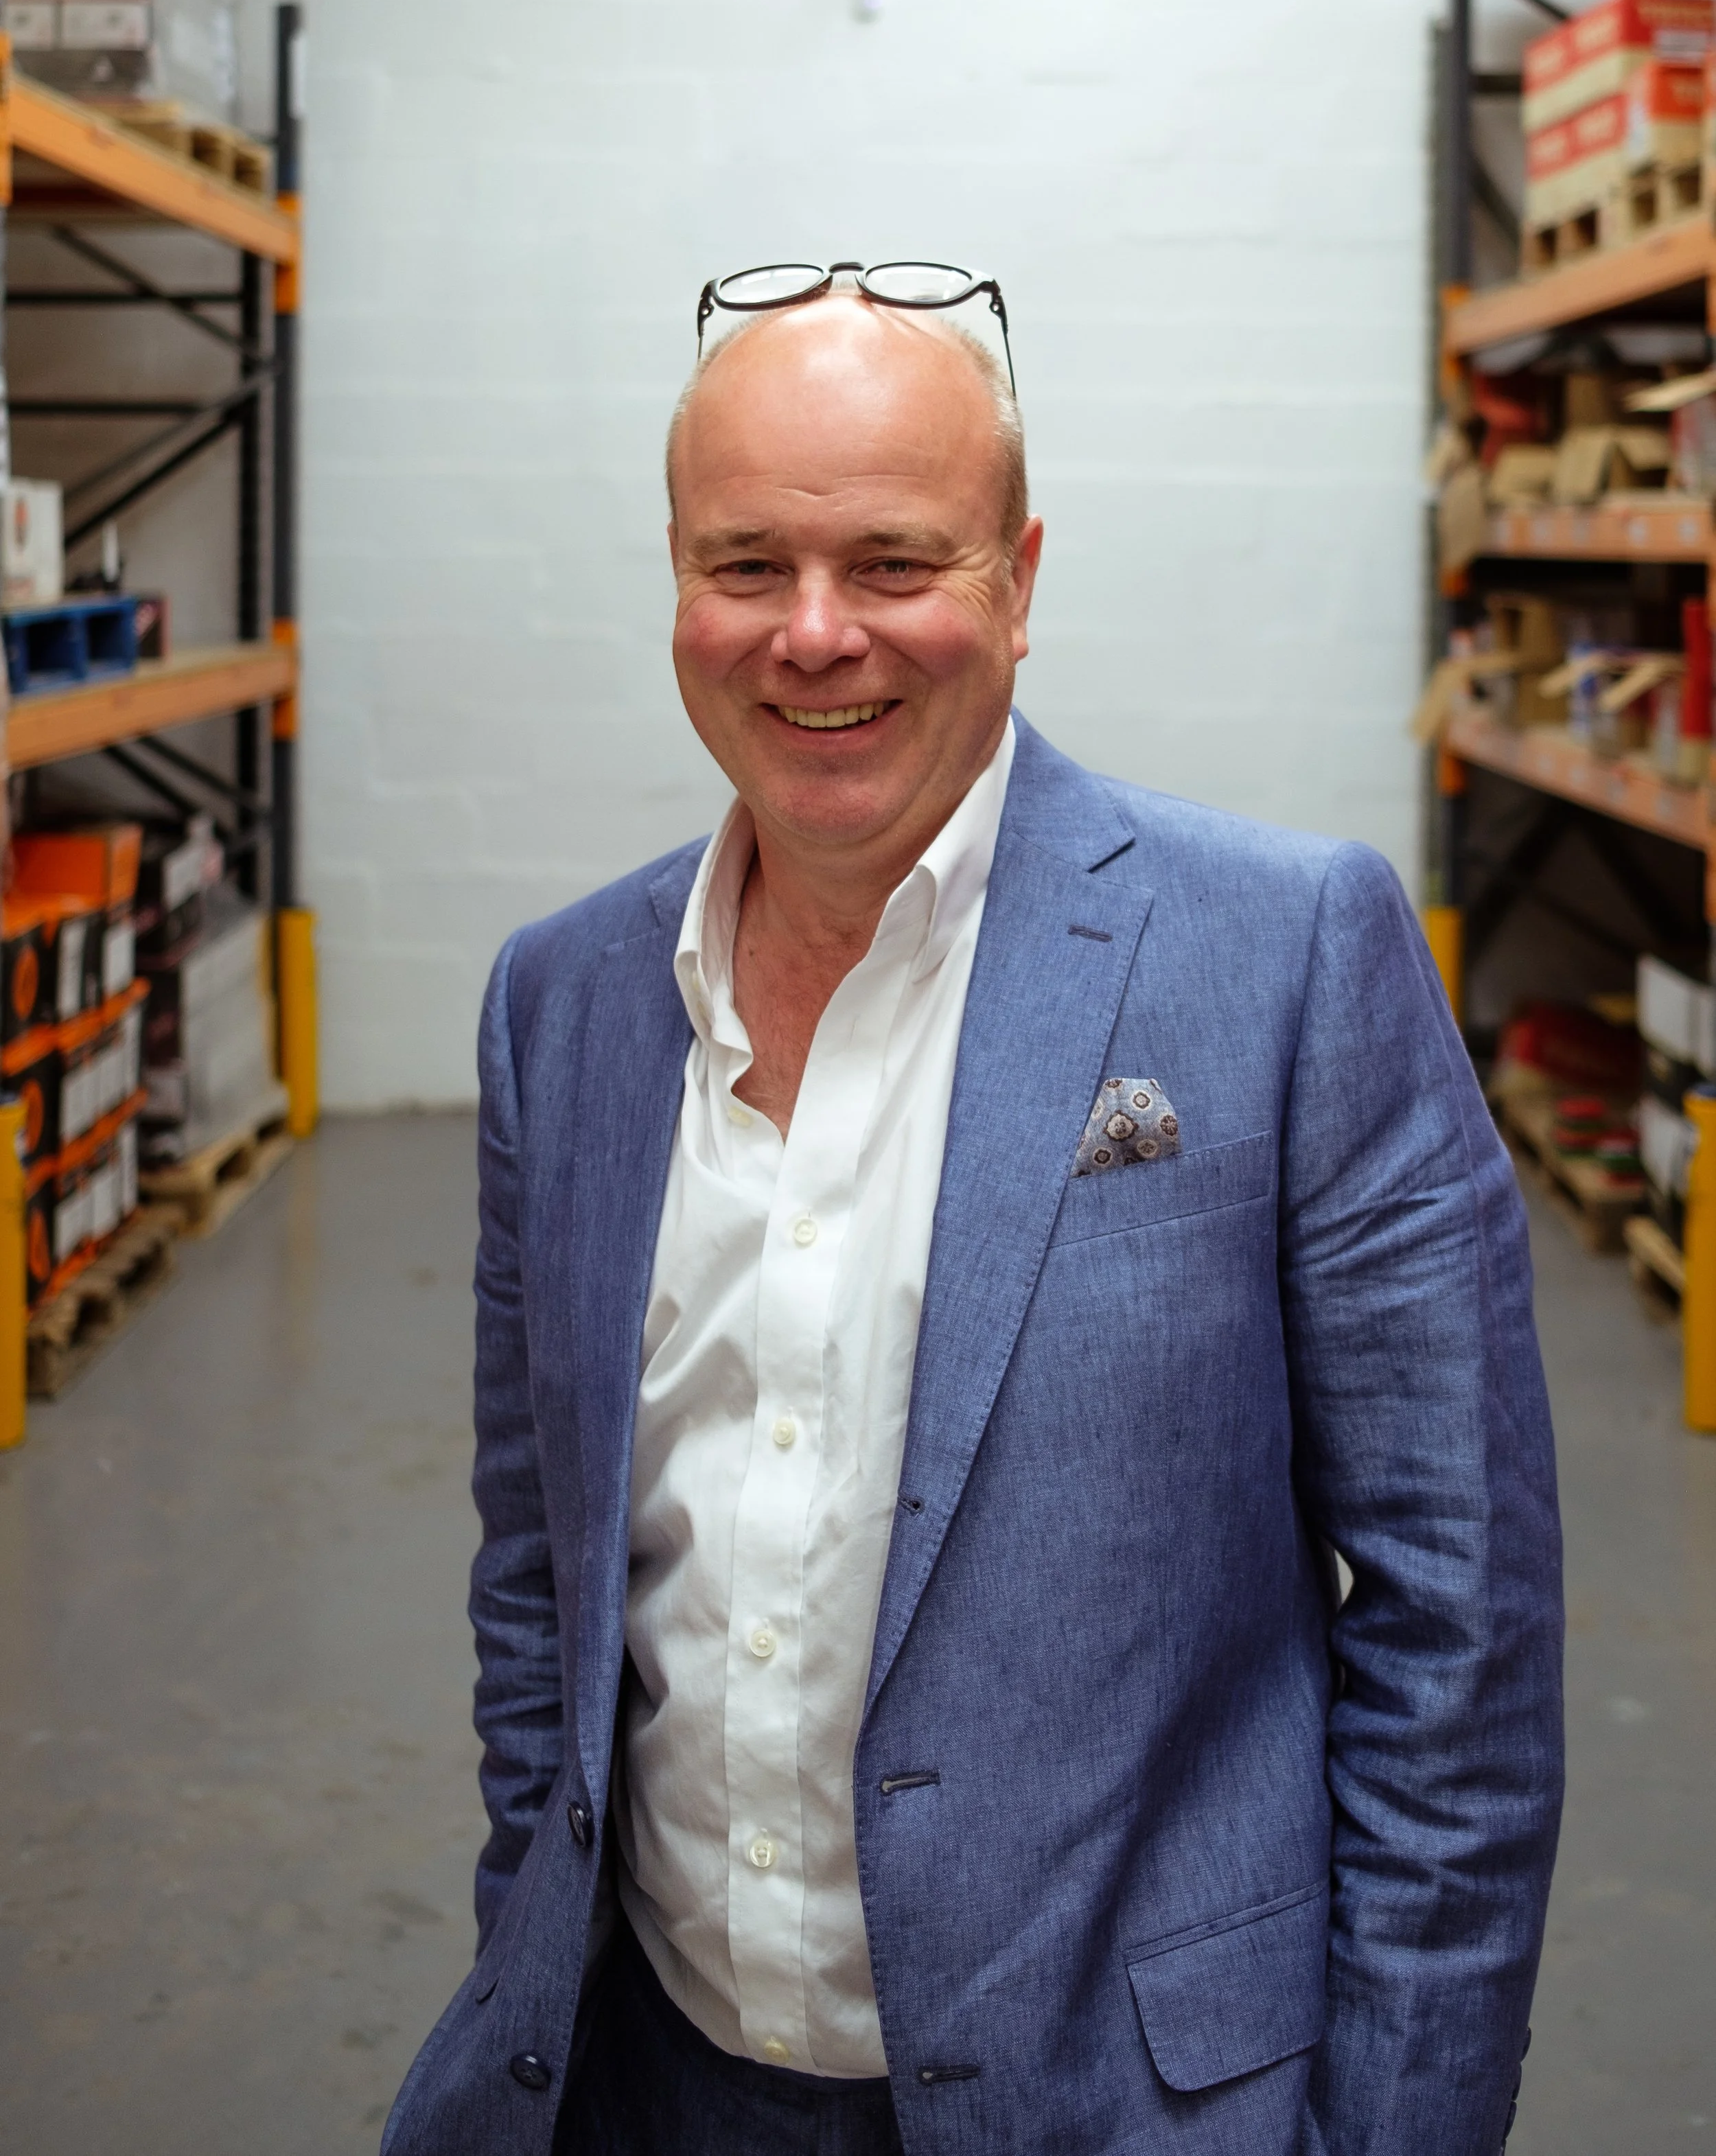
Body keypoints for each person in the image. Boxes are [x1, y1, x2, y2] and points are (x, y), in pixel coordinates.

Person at [382, 270, 1562, 2156]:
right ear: (675, 581)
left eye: (893, 562)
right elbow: (545, 1570)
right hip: (653, 2082)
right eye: (745, 562)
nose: (815, 634)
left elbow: (1460, 1632)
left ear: (1016, 579)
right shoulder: (563, 1002)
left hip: (1133, 2101)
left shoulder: (1283, 958)